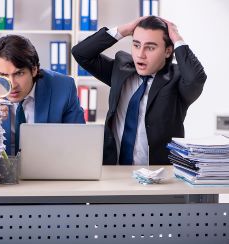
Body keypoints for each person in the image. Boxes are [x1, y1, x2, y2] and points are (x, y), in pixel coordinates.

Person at [72, 16, 207, 165]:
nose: (140, 54)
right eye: (136, 45)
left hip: (157, 176)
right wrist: (123, 30)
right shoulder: (121, 69)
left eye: (150, 47)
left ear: (168, 51)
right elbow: (81, 53)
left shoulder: (177, 80)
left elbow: (196, 79)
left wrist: (177, 39)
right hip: (113, 170)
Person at [0, 35, 85, 156]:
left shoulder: (63, 88)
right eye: (3, 75)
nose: (12, 84)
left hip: (47, 168)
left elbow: (79, 142)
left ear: (34, 70)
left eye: (19, 73)